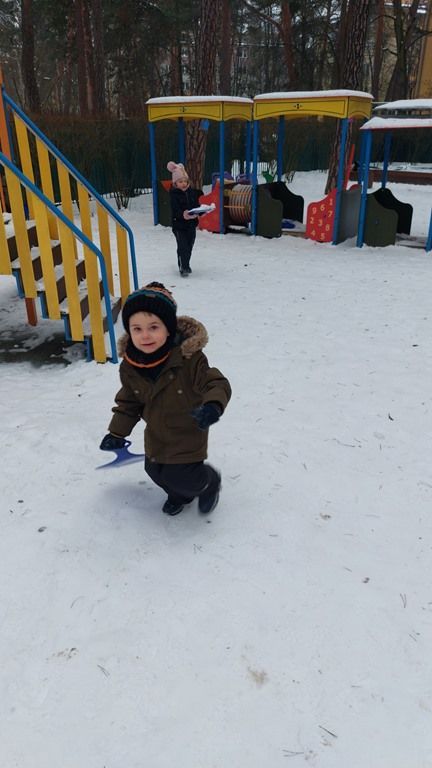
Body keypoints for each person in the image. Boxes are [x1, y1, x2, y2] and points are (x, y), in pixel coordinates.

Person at [99, 282, 231, 516]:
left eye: (154, 327)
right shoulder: (132, 366)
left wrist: (212, 406)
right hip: (157, 435)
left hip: (188, 431)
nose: (145, 335)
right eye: (137, 329)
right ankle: (180, 495)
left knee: (180, 475)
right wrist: (117, 433)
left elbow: (216, 383)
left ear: (168, 329)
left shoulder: (189, 359)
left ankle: (209, 482)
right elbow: (129, 402)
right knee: (155, 471)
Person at [167, 160, 201, 277]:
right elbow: (175, 210)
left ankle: (185, 263)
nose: (183, 184)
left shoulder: (191, 192)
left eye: (185, 181)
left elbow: (196, 205)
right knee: (183, 246)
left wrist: (201, 211)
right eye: (180, 181)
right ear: (175, 183)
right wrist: (183, 214)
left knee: (189, 244)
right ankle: (184, 267)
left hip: (191, 224)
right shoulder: (174, 194)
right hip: (179, 225)